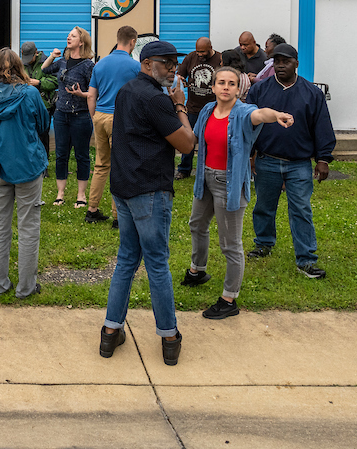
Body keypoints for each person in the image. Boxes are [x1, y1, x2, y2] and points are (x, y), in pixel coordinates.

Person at [99, 41, 193, 367]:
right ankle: (169, 336)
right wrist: (180, 105)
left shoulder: (126, 91)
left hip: (123, 187)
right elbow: (187, 142)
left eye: (175, 63)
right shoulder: (156, 98)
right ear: (148, 62)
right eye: (167, 63)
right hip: (149, 190)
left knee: (127, 259)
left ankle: (110, 332)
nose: (173, 68)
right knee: (156, 263)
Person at [184, 67, 293, 321]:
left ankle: (229, 298)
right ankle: (197, 270)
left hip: (229, 183)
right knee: (196, 225)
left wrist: (275, 114)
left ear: (238, 89)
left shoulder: (243, 112)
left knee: (230, 244)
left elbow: (260, 114)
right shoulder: (207, 110)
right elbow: (195, 137)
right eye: (221, 82)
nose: (225, 87)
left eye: (231, 83)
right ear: (213, 87)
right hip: (205, 178)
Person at [244, 43, 335, 279]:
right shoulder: (260, 90)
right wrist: (251, 156)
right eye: (276, 61)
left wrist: (323, 159)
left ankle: (306, 260)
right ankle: (264, 244)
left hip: (299, 164)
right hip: (267, 160)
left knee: (301, 210)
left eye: (285, 62)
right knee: (264, 206)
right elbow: (249, 125)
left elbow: (322, 127)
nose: (280, 65)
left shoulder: (311, 93)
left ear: (296, 63)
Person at [0, 48, 49, 298]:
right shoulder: (30, 93)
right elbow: (43, 123)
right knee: (29, 226)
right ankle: (26, 287)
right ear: (20, 67)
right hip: (28, 164)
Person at [85, 26, 139, 225]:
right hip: (120, 118)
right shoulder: (134, 66)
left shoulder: (99, 64)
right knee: (120, 165)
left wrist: (95, 117)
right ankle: (118, 216)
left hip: (100, 115)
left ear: (118, 39)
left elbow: (91, 95)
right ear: (132, 41)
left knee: (101, 164)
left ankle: (92, 209)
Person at [42, 27, 95, 208]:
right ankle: (60, 194)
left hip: (80, 116)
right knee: (61, 155)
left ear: (81, 42)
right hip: (61, 115)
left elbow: (95, 93)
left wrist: (82, 94)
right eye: (68, 35)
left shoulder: (88, 65)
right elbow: (44, 69)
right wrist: (52, 55)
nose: (68, 37)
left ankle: (81, 195)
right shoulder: (63, 62)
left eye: (73, 36)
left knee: (82, 156)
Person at [174, 38, 221, 179]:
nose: (199, 54)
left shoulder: (219, 58)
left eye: (203, 52)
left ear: (210, 47)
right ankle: (184, 169)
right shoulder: (191, 57)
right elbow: (180, 74)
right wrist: (180, 79)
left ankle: (206, 170)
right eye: (198, 51)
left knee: (209, 141)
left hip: (212, 108)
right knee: (188, 139)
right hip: (193, 107)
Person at [20, 41, 58, 150]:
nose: (27, 61)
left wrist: (39, 83)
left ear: (36, 52)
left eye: (29, 57)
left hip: (44, 106)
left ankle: (43, 163)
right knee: (27, 136)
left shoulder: (47, 62)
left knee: (42, 137)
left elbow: (55, 81)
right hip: (26, 105)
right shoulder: (21, 64)